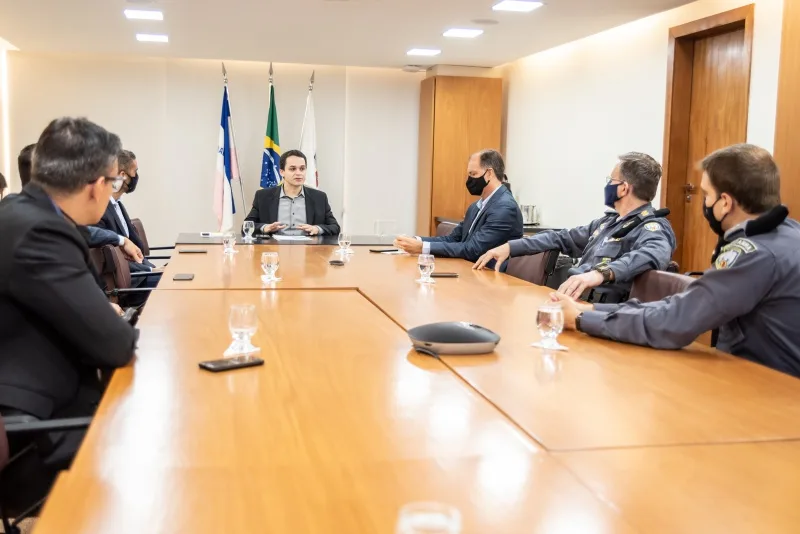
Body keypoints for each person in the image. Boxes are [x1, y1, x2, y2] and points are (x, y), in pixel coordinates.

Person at [553, 144, 800, 378]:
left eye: (706, 195)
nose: (704, 203)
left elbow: (676, 320)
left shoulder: (753, 254)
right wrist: (591, 309)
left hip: (765, 394)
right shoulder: (788, 236)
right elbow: (681, 305)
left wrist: (581, 319)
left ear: (725, 203)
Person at [0, 117, 137, 478]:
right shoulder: (41, 232)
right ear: (96, 186)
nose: (114, 191)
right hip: (34, 426)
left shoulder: (24, 214)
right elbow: (115, 344)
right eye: (115, 182)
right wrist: (114, 322)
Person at [475, 152, 676, 303]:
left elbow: (653, 254)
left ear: (623, 188)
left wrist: (600, 273)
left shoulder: (652, 227)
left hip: (600, 313)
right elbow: (560, 238)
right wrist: (510, 247)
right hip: (571, 303)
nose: (607, 186)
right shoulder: (607, 223)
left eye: (611, 181)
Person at [394, 149, 523, 262]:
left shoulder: (504, 207)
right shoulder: (475, 206)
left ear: (489, 173)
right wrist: (416, 241)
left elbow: (473, 249)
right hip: (471, 271)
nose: (469, 180)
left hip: (494, 278)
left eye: (473, 174)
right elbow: (453, 239)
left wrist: (422, 248)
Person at [244, 149, 340, 236]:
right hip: (274, 250)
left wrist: (316, 229)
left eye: (302, 169)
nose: (298, 173)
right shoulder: (263, 196)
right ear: (282, 172)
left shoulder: (319, 197)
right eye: (292, 169)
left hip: (309, 251)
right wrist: (265, 228)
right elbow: (246, 226)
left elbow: (335, 227)